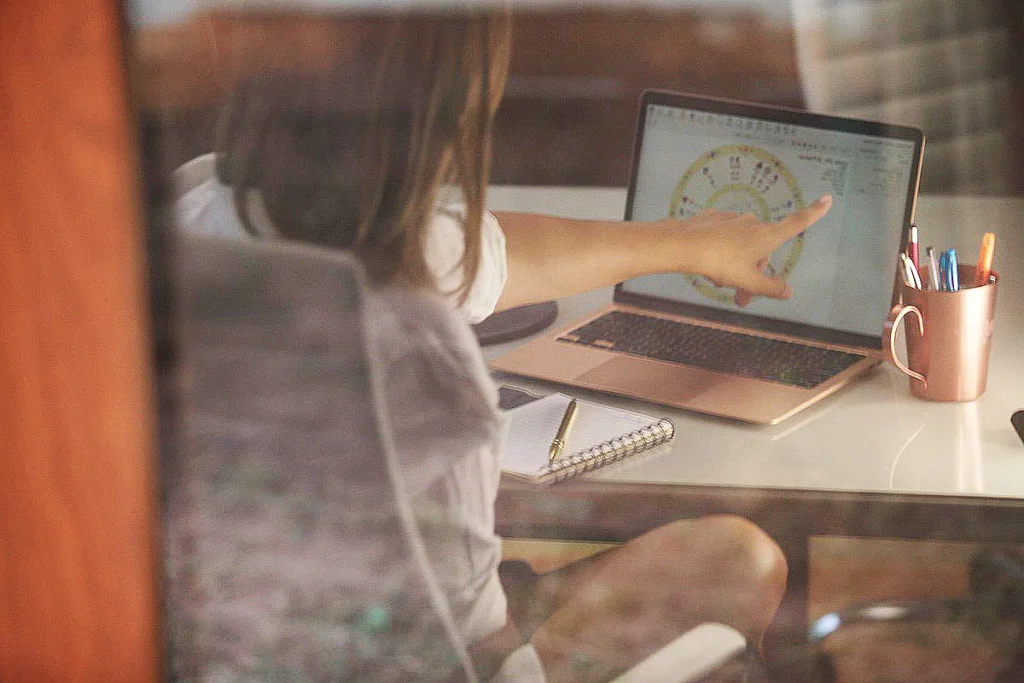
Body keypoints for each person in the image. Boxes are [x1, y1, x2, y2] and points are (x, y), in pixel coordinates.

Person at [174, 6, 832, 682]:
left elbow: (497, 251)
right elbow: (479, 657)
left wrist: (691, 244)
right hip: (423, 655)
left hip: (257, 636)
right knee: (744, 569)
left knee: (733, 558)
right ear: (442, 110)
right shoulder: (417, 346)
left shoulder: (191, 210)